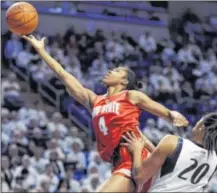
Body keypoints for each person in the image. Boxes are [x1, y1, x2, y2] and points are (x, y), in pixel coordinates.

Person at [21, 35, 188, 192]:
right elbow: (64, 75)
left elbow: (160, 110)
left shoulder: (131, 96)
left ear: (124, 81)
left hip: (134, 159)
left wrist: (173, 115)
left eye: (116, 71)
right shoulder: (94, 101)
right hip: (118, 162)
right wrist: (41, 51)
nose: (110, 71)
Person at [122, 113, 217, 192]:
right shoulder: (214, 160)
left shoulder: (172, 141)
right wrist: (147, 144)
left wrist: (136, 149)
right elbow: (174, 164)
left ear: (202, 127)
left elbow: (139, 176)